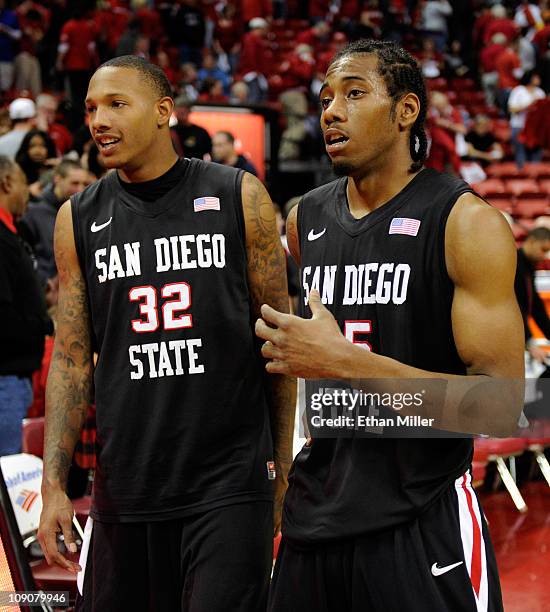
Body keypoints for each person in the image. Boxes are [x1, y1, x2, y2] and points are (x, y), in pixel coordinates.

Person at [255, 40, 524, 611]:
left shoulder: (467, 222)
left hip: (419, 518)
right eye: (326, 97)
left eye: (354, 94)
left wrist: (346, 364)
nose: (331, 110)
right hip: (314, 515)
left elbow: (500, 407)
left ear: (406, 111)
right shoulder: (307, 218)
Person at [37, 55, 295, 612]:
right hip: (126, 484)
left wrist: (281, 465)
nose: (98, 120)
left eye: (115, 104)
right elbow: (73, 361)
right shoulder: (77, 217)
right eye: (90, 108)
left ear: (163, 112)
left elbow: (280, 343)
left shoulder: (237, 195)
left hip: (226, 484)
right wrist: (54, 484)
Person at [0, 156, 52, 456]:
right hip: (5, 379)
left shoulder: (11, 233)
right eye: (22, 182)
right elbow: (2, 317)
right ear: (7, 182)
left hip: (12, 378)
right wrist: (45, 324)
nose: (27, 192)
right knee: (7, 486)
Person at [18, 159, 89, 286]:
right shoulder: (33, 213)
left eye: (85, 184)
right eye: (74, 183)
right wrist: (45, 284)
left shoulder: (86, 213)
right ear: (57, 179)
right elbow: (23, 257)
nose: (80, 189)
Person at [514, 227, 550, 364]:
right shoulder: (514, 263)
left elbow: (535, 306)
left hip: (519, 331)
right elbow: (515, 305)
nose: (544, 256)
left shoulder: (529, 266)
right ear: (532, 241)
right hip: (507, 332)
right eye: (543, 249)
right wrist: (529, 341)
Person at [508, 70, 545, 168]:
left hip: (535, 129)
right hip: (519, 126)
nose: (538, 79)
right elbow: (512, 109)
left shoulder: (540, 92)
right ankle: (521, 177)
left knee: (536, 156)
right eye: (536, 77)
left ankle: (535, 179)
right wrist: (528, 106)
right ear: (529, 78)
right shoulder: (519, 90)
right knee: (521, 155)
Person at [171, 96, 212, 160]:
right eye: (179, 108)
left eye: (185, 108)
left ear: (189, 110)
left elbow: (211, 153)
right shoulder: (169, 132)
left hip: (196, 168)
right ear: (174, 111)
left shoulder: (201, 132)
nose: (182, 111)